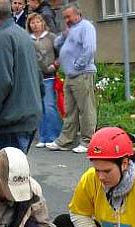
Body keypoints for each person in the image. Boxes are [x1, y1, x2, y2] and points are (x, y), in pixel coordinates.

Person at [0, 0, 43, 153]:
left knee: (8, 174)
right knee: (17, 173)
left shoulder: (1, 40)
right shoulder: (21, 34)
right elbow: (38, 78)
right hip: (26, 117)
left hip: (12, 121)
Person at [45, 3, 96, 153]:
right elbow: (56, 44)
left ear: (77, 14)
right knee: (69, 110)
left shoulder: (86, 27)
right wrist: (64, 34)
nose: (66, 19)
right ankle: (66, 141)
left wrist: (78, 65)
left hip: (82, 73)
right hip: (70, 75)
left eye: (69, 16)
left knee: (86, 108)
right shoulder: (71, 29)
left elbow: (90, 49)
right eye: (65, 17)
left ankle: (87, 141)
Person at [29, 12, 62, 148]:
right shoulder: (27, 39)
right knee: (39, 108)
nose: (35, 25)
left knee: (49, 106)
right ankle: (43, 136)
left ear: (43, 23)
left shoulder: (51, 37)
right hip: (34, 78)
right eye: (32, 23)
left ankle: (54, 136)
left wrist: (55, 65)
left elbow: (61, 54)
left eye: (38, 22)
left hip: (49, 77)